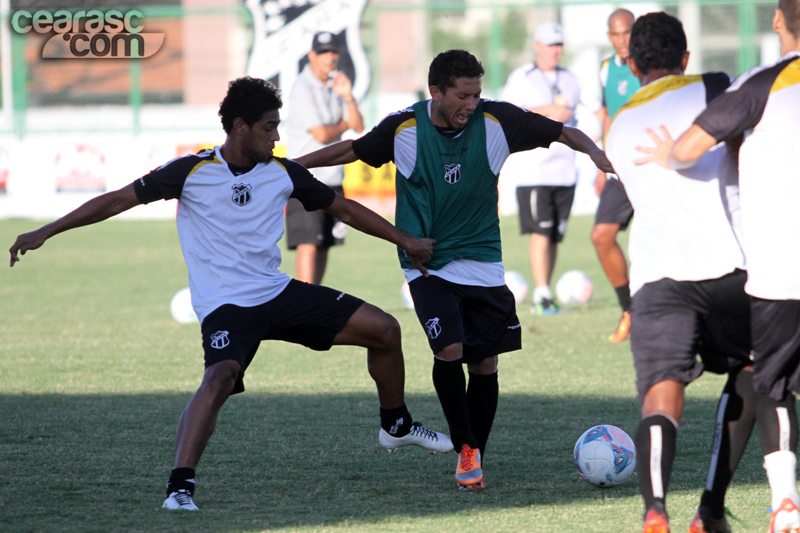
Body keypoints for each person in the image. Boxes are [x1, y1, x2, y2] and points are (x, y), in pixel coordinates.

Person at [8, 77, 453, 511]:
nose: (277, 137)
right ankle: (179, 487)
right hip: (225, 304)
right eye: (268, 127)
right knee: (219, 379)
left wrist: (405, 240)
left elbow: (345, 210)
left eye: (278, 127)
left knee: (385, 329)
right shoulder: (193, 170)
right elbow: (116, 201)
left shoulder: (283, 172)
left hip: (276, 293)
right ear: (239, 127)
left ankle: (395, 424)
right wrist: (49, 230)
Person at [296, 49, 613, 489]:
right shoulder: (405, 126)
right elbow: (352, 149)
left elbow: (563, 132)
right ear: (436, 92)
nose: (471, 103)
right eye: (462, 95)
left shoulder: (497, 121)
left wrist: (598, 153)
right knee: (449, 351)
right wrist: (294, 167)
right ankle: (466, 450)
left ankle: (473, 452)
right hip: (427, 265)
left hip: (483, 261)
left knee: (484, 364)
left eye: (476, 94)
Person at [635, 1, 800, 531]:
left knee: (770, 381)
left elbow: (687, 147)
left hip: (775, 263)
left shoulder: (759, 84)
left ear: (778, 21)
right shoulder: (740, 82)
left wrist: (670, 157)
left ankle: (781, 505)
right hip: (756, 269)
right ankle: (718, 507)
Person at [605, 12, 758, 533]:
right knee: (755, 370)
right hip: (731, 265)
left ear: (631, 63)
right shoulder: (716, 86)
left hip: (657, 277)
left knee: (662, 387)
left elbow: (608, 225)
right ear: (685, 57)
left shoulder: (619, 125)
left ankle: (654, 510)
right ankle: (710, 509)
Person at [500, 22, 590, 315]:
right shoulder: (522, 78)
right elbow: (508, 114)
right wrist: (547, 110)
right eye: (550, 45)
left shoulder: (572, 79)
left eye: (559, 45)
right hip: (534, 169)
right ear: (537, 45)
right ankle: (541, 293)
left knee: (553, 234)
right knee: (540, 232)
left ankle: (546, 288)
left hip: (566, 170)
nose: (555, 50)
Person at [285, 31, 364, 284]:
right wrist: (344, 124)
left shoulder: (335, 85)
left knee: (325, 242)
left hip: (332, 177)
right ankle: (306, 300)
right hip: (306, 178)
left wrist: (348, 96)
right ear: (311, 55)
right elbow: (320, 133)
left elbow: (359, 125)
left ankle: (315, 297)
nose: (329, 57)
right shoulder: (302, 87)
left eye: (333, 51)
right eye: (323, 52)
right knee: (308, 242)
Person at [591, 8, 640, 342]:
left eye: (627, 33)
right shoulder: (607, 68)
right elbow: (607, 114)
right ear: (609, 36)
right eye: (616, 34)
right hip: (619, 169)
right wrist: (603, 161)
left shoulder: (653, 62)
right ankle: (629, 310)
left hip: (654, 166)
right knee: (601, 236)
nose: (623, 40)